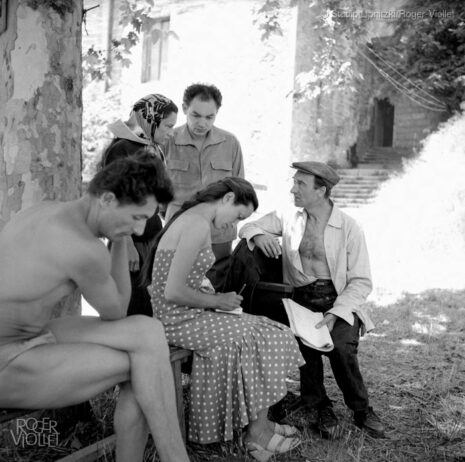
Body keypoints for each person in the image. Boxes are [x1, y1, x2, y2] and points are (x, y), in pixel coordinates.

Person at [0, 155, 190, 462]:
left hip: (31, 334)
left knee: (148, 331)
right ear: (107, 198)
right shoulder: (83, 249)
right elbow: (115, 311)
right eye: (136, 217)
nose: (140, 231)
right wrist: (119, 243)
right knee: (144, 369)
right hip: (8, 361)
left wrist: (120, 236)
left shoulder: (46, 210)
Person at [145, 177, 304, 461]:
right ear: (228, 198)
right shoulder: (194, 225)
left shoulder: (192, 218)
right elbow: (173, 290)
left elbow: (182, 280)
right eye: (238, 216)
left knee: (266, 331)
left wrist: (212, 298)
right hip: (178, 321)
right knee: (269, 334)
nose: (233, 225)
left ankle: (260, 424)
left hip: (189, 314)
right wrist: (218, 301)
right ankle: (257, 434)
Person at [239, 161, 385, 439]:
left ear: (321, 191)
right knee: (306, 349)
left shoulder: (349, 227)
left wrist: (336, 313)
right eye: (294, 182)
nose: (293, 189)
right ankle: (320, 407)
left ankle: (361, 409)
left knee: (342, 349)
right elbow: (247, 226)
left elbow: (361, 281)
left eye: (300, 184)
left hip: (338, 300)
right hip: (300, 301)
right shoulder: (288, 217)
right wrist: (258, 235)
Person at [100, 94, 178, 316]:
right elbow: (115, 198)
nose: (171, 132)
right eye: (167, 126)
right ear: (150, 119)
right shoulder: (123, 149)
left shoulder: (150, 147)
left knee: (148, 309)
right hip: (130, 241)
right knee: (130, 311)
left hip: (150, 238)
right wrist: (126, 244)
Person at [164, 83, 244, 291]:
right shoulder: (168, 142)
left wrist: (229, 220)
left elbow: (240, 191)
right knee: (177, 290)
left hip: (219, 236)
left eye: (210, 117)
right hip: (178, 233)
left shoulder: (230, 143)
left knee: (214, 295)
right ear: (184, 109)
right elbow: (157, 192)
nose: (202, 123)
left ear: (217, 113)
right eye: (195, 115)